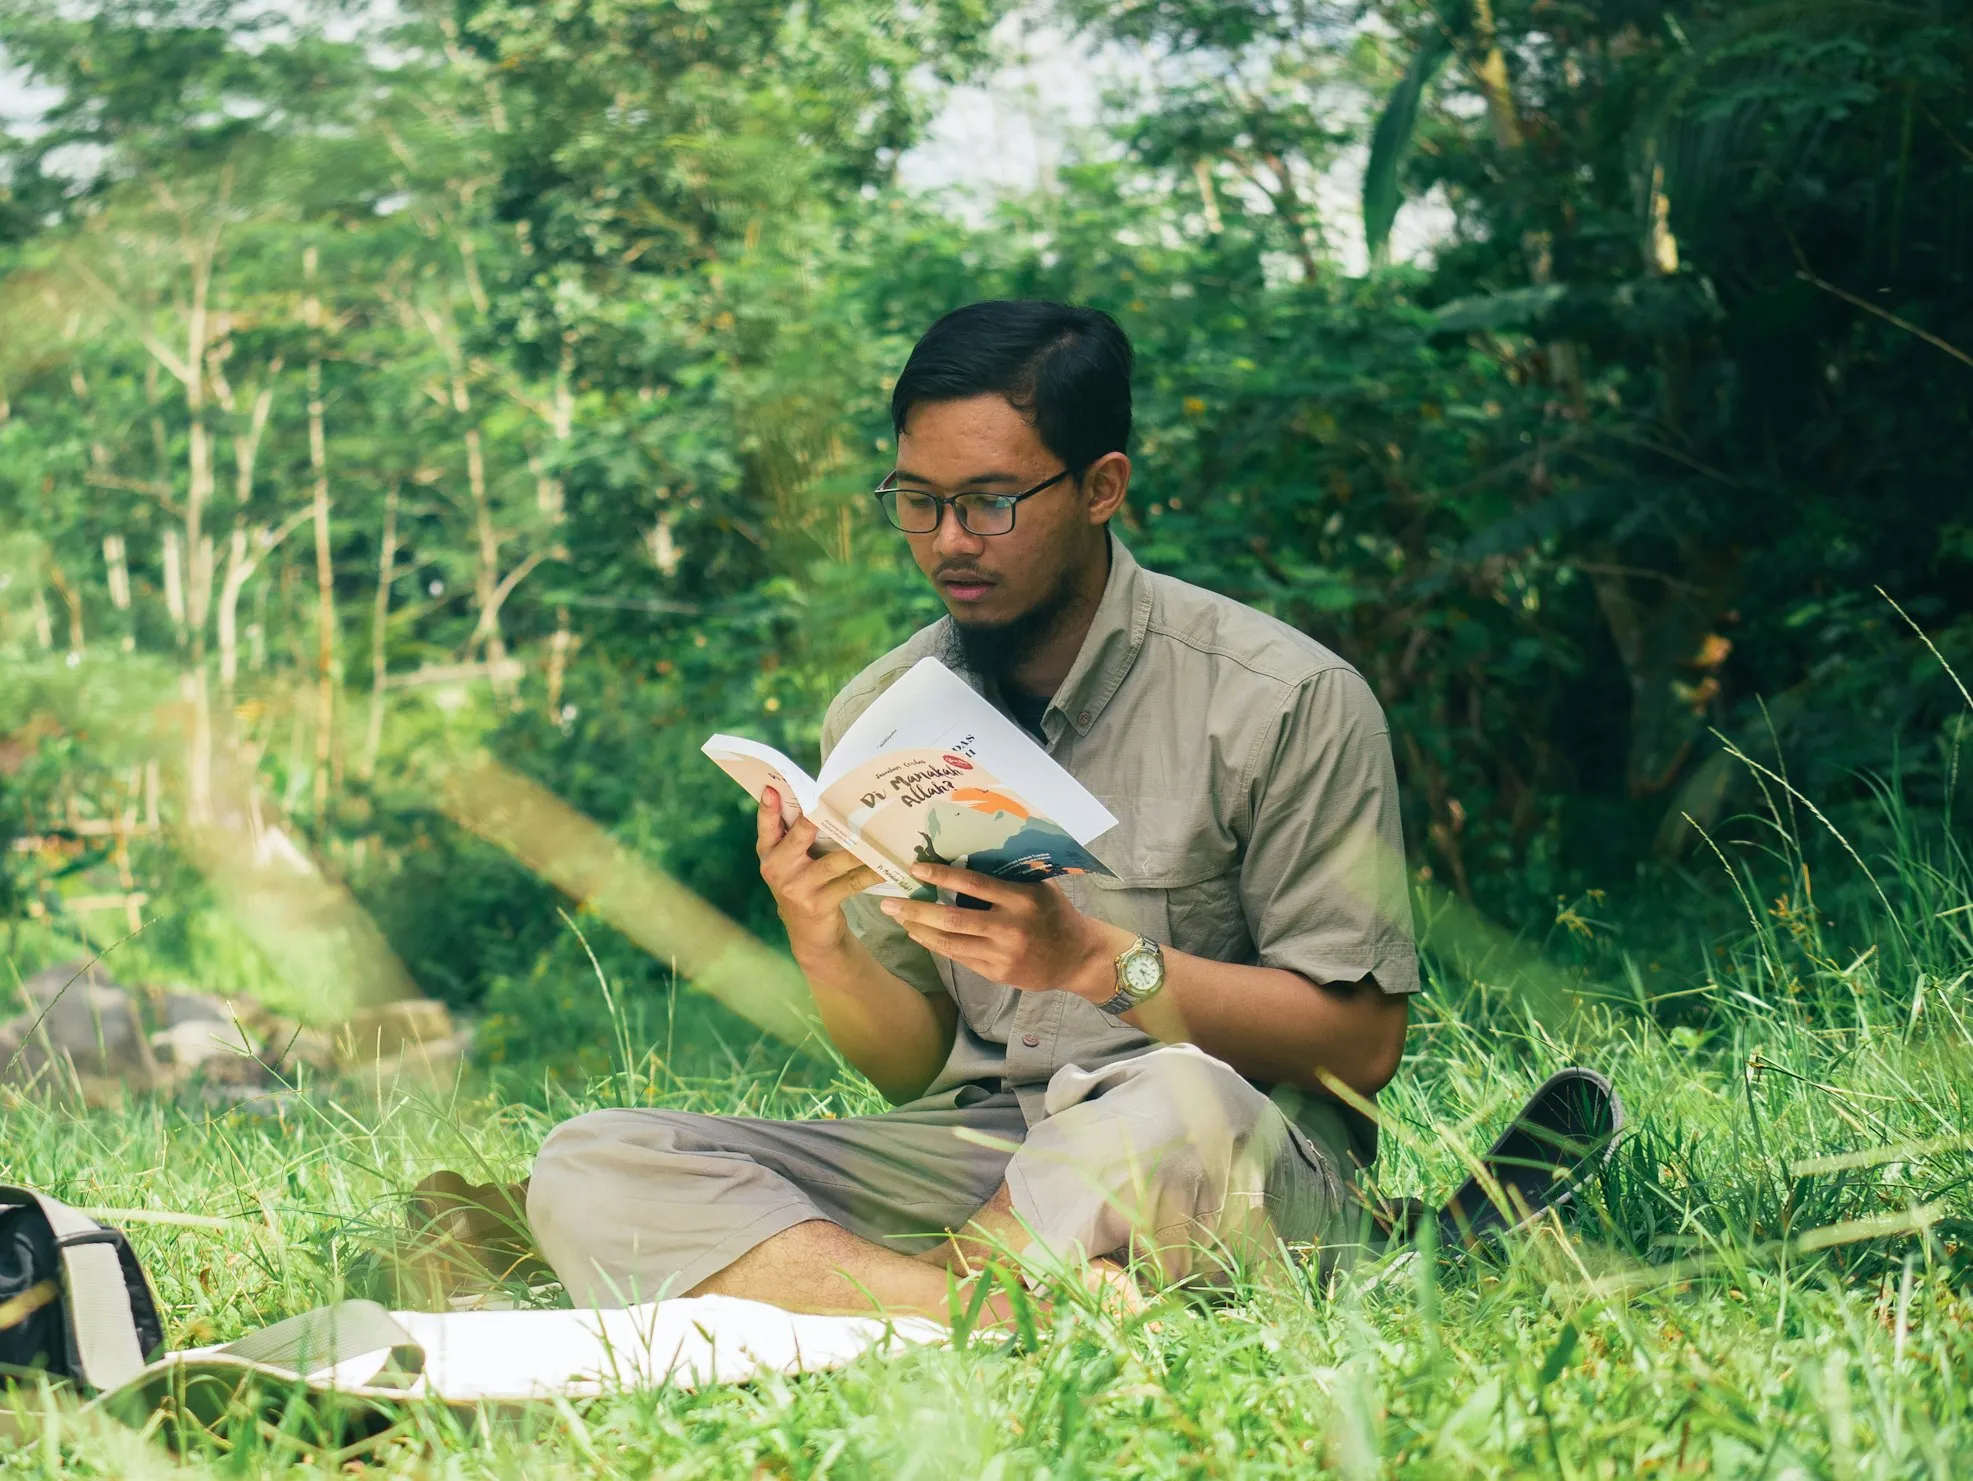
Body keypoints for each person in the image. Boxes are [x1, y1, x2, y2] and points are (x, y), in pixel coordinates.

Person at [527, 300, 1418, 1321]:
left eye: (989, 502)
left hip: (1225, 1152)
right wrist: (819, 937)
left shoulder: (1281, 699)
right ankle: (1011, 1309)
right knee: (595, 1160)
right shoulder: (882, 710)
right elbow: (916, 1064)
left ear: (1100, 488)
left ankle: (878, 1296)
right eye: (916, 500)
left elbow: (1359, 1048)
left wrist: (1092, 960)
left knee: (1174, 1096)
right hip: (987, 1153)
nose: (949, 540)